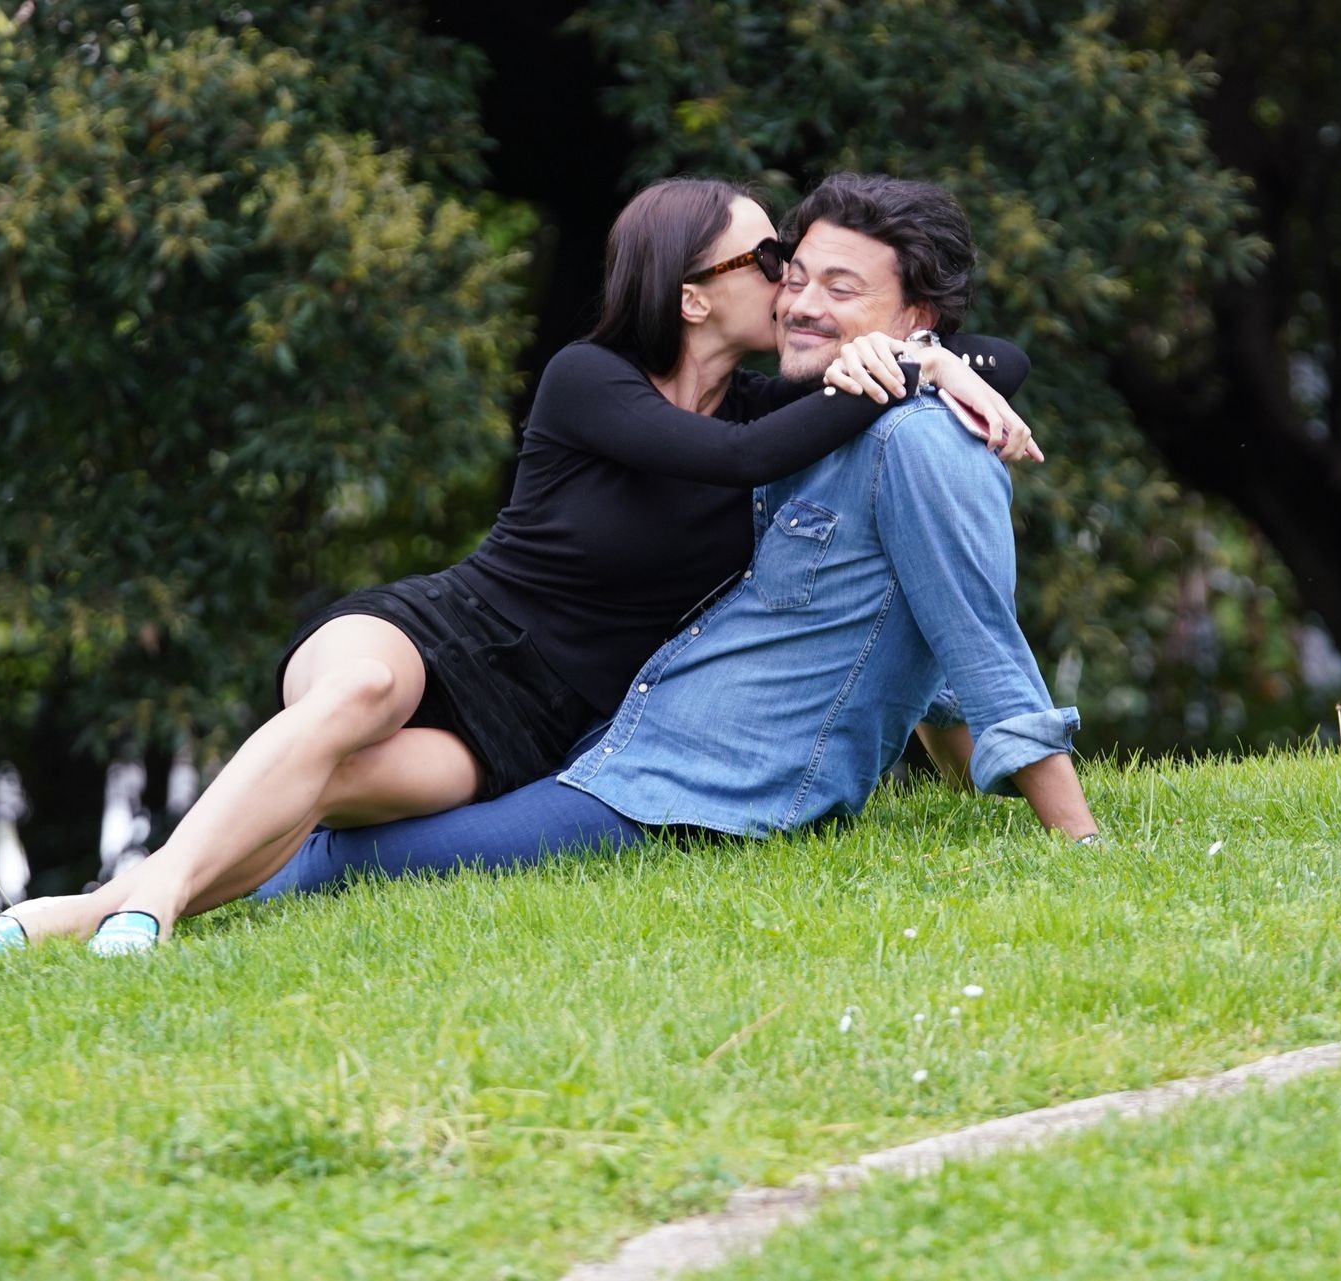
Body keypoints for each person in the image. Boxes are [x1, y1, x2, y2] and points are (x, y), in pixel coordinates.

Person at [0, 177, 1034, 956]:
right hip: (440, 633)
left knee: (334, 798)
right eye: (771, 261)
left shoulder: (766, 406)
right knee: (353, 700)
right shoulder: (589, 379)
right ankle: (153, 906)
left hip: (532, 719)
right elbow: (736, 462)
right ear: (694, 295)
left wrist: (935, 360)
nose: (793, 285)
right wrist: (915, 366)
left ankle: (66, 916)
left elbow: (1005, 354)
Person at [257, 172, 1095, 900]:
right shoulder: (812, 414)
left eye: (842, 290)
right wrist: (927, 361)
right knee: (361, 826)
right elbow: (921, 614)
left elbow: (973, 630)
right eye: (793, 274)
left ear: (915, 314)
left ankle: (201, 883)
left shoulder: (917, 438)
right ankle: (198, 877)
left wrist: (1079, 839)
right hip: (631, 744)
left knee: (353, 861)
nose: (800, 304)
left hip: (696, 788)